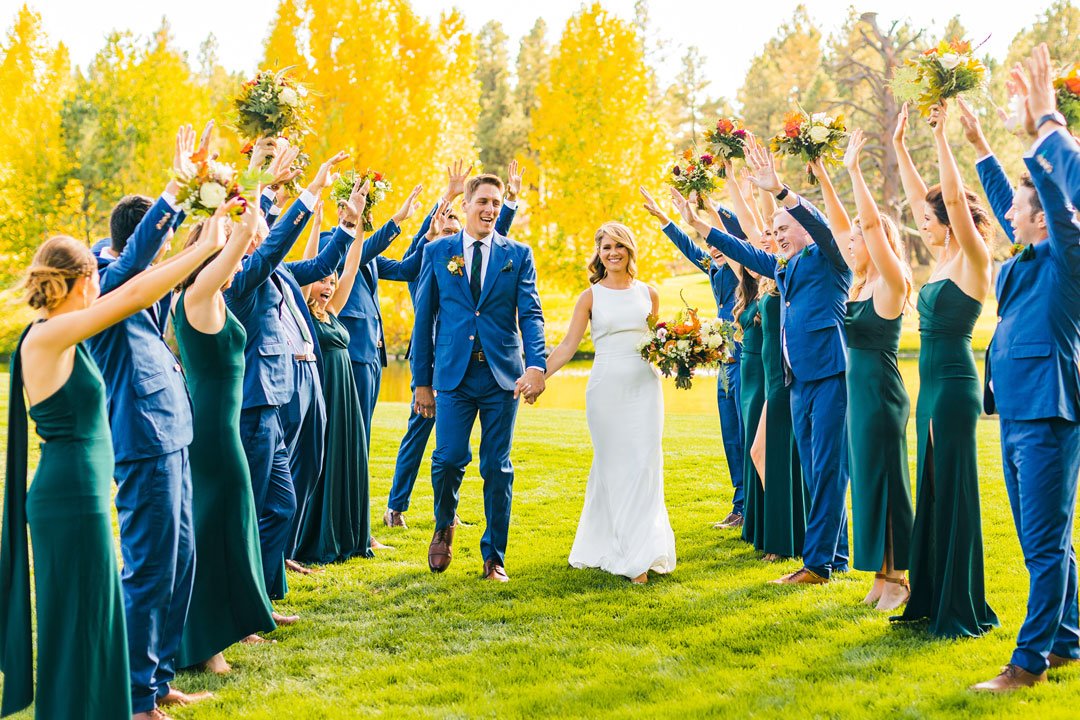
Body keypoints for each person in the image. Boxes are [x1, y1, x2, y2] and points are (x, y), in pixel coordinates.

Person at [0, 227, 226, 720]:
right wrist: (205, 246)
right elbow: (135, 293)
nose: (102, 284)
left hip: (80, 495)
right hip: (68, 498)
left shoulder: (66, 332)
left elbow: (136, 290)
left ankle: (109, 705)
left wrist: (206, 243)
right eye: (96, 276)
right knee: (76, 619)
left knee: (92, 616)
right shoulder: (50, 334)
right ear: (84, 279)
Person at [672, 134, 852, 585]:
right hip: (797, 380)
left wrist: (781, 192)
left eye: (784, 227)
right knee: (814, 471)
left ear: (804, 229)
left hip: (830, 375)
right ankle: (836, 556)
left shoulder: (831, 259)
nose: (778, 235)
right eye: (775, 228)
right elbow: (746, 252)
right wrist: (700, 226)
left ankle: (817, 565)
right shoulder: (785, 267)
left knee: (827, 469)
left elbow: (823, 226)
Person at [84, 123, 213, 715]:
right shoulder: (107, 285)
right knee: (149, 569)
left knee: (181, 562)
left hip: (174, 434)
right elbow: (141, 255)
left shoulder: (140, 281)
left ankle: (158, 681)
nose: (163, 257)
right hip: (142, 440)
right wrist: (176, 188)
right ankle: (135, 697)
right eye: (158, 243)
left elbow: (174, 257)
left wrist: (214, 203)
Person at [968, 47, 1080, 691]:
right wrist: (982, 148)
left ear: (1043, 218)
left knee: (1042, 545)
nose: (1006, 212)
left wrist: (1041, 134)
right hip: (1014, 412)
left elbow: (1056, 211)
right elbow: (1012, 200)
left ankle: (1029, 661)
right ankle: (1068, 640)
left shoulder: (1066, 261)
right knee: (1048, 540)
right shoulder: (1021, 264)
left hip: (1049, 413)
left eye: (1018, 206)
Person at [892, 101, 998, 638]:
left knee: (953, 487)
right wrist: (899, 146)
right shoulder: (940, 260)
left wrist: (940, 137)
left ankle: (960, 603)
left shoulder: (975, 257)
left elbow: (950, 198)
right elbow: (925, 199)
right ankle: (930, 598)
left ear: (952, 222)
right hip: (929, 385)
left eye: (929, 221)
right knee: (932, 485)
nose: (923, 225)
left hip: (955, 383)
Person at [224, 147, 346, 609]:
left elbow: (280, 250)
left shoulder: (272, 272)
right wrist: (308, 191)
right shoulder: (237, 281)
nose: (259, 238)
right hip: (254, 403)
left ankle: (265, 592)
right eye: (252, 233)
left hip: (276, 401)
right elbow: (270, 245)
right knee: (256, 508)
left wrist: (348, 223)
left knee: (282, 506)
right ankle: (242, 605)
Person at [411, 173, 547, 582]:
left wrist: (536, 365)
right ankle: (444, 525)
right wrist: (421, 381)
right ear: (466, 205)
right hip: (453, 375)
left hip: (502, 376)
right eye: (483, 202)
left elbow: (531, 314)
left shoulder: (517, 254)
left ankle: (494, 557)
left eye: (496, 203)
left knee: (496, 467)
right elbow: (423, 318)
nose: (490, 209)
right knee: (448, 458)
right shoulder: (437, 252)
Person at [383, 160, 520, 529]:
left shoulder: (469, 256)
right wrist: (448, 196)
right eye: (444, 230)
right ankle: (396, 506)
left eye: (454, 232)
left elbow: (495, 244)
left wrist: (509, 203)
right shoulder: (424, 261)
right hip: (431, 364)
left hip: (470, 363)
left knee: (451, 450)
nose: (451, 237)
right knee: (419, 435)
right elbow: (418, 248)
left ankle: (446, 512)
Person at [172, 201, 276, 675]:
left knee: (230, 526)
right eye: (229, 257)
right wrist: (253, 184)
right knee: (212, 533)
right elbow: (238, 242)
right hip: (211, 436)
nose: (238, 264)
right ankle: (204, 648)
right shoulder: (198, 296)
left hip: (221, 430)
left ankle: (231, 625)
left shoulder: (208, 299)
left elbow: (241, 247)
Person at [545, 222, 675, 584]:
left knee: (645, 466)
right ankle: (628, 556)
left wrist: (682, 354)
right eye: (606, 247)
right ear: (599, 254)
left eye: (619, 246)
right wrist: (540, 376)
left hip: (645, 389)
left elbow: (656, 344)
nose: (613, 253)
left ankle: (643, 550)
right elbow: (568, 346)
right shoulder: (590, 297)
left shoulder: (649, 294)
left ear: (629, 250)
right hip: (606, 391)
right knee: (614, 467)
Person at [836, 130, 915, 612]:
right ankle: (880, 575)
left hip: (882, 395)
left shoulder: (890, 282)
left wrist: (853, 171)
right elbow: (840, 225)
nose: (851, 245)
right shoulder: (859, 285)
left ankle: (899, 578)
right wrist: (822, 174)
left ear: (877, 241)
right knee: (867, 482)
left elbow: (866, 222)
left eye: (858, 239)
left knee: (887, 480)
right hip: (859, 396)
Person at [642, 183, 746, 530]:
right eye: (709, 241)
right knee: (731, 436)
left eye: (718, 241)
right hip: (724, 362)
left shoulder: (744, 267)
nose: (712, 247)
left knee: (746, 434)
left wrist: (710, 207)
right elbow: (690, 250)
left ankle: (755, 506)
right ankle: (740, 504)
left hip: (746, 360)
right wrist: (665, 219)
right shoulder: (714, 266)